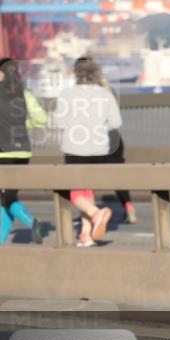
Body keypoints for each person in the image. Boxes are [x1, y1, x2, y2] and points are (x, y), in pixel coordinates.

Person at [0, 58, 47, 244]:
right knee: (7, 197)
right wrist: (23, 124)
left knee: (7, 198)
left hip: (1, 153)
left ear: (0, 73)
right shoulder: (26, 94)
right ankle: (1, 242)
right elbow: (41, 119)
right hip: (23, 154)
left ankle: (32, 222)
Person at [52, 56, 121, 247]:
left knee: (75, 192)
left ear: (76, 73)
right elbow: (116, 123)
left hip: (75, 147)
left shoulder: (67, 94)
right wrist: (98, 128)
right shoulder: (105, 94)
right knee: (87, 190)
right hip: (99, 148)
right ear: (96, 73)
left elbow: (59, 122)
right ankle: (86, 235)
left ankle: (96, 213)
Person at [100, 75, 137, 224]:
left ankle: (89, 213)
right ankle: (129, 207)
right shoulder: (110, 93)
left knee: (84, 175)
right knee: (117, 176)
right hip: (114, 138)